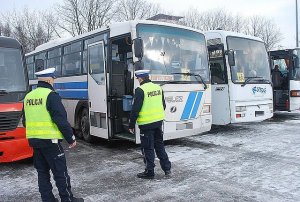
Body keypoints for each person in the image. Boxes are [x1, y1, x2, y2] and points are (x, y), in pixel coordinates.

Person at [23, 68, 84, 202]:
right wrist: (70, 138)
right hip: (51, 141)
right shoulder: (51, 95)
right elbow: (60, 119)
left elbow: (25, 120)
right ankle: (67, 199)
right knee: (60, 172)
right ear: (49, 79)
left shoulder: (28, 97)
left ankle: (48, 199)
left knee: (42, 172)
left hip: (34, 141)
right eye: (53, 79)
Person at [129, 69, 171, 179]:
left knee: (148, 148)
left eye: (138, 78)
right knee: (160, 146)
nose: (138, 80)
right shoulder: (158, 88)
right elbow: (163, 105)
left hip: (146, 124)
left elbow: (135, 109)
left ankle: (149, 172)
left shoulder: (140, 90)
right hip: (158, 123)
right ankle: (167, 169)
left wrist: (131, 124)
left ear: (141, 78)